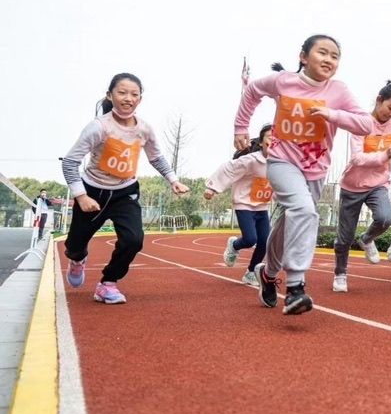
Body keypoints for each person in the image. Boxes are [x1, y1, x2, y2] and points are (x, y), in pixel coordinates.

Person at [233, 35, 374, 315]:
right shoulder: (282, 81)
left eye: (335, 56)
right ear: (303, 57)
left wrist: (332, 114)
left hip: (316, 169)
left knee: (291, 221)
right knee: (304, 211)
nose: (329, 60)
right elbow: (251, 92)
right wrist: (241, 127)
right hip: (282, 162)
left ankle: (269, 273)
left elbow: (366, 124)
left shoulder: (338, 91)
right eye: (323, 52)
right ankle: (296, 287)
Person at [61, 73, 189, 304]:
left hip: (125, 192)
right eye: (122, 92)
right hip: (93, 193)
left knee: (133, 240)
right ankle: (77, 259)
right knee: (75, 245)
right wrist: (81, 196)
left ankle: (108, 283)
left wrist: (173, 180)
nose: (128, 98)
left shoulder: (145, 129)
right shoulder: (98, 127)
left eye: (134, 94)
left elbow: (156, 157)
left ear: (140, 99)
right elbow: (70, 162)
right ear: (110, 95)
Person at [333, 82, 391, 293]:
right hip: (352, 185)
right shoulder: (361, 124)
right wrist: (385, 156)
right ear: (379, 100)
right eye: (390, 107)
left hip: (378, 184)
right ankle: (340, 273)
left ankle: (367, 239)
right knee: (345, 237)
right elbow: (357, 158)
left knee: (385, 218)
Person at [205, 124, 274, 286]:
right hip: (244, 204)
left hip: (262, 206)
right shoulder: (251, 160)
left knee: (265, 242)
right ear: (262, 142)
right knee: (250, 239)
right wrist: (212, 187)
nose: (274, 141)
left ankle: (251, 272)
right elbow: (229, 168)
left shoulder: (279, 163)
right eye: (270, 138)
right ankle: (234, 244)